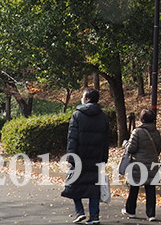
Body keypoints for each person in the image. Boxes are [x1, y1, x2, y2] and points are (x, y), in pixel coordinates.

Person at [62, 88, 110, 225]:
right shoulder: (103, 117)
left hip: (79, 157)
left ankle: (80, 212)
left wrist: (71, 156)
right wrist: (104, 158)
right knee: (94, 188)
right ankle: (94, 216)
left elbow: (72, 138)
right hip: (96, 157)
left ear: (87, 99)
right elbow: (106, 140)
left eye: (83, 96)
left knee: (72, 184)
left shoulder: (77, 115)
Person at [121, 109, 161, 222]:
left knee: (134, 188)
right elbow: (159, 148)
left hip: (138, 165)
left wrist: (126, 144)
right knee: (150, 189)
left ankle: (131, 211)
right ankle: (151, 214)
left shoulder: (137, 132)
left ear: (142, 120)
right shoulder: (156, 132)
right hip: (152, 164)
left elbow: (131, 148)